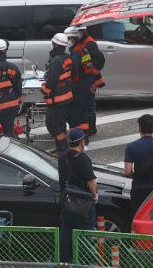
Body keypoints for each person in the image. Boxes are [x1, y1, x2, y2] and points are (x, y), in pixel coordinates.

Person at [58, 128, 97, 262]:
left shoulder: (62, 157)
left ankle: (63, 261)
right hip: (82, 203)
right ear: (81, 142)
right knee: (85, 234)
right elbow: (91, 181)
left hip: (67, 200)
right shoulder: (82, 158)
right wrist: (95, 196)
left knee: (66, 233)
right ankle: (82, 262)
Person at [67, 25, 106, 136]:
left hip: (88, 79)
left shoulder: (89, 43)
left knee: (88, 105)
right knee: (87, 104)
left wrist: (93, 81)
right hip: (85, 78)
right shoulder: (80, 43)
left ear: (83, 31)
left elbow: (98, 61)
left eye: (78, 31)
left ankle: (90, 128)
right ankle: (89, 129)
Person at [42, 33, 76, 153]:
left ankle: (63, 148)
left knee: (52, 125)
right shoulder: (67, 57)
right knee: (60, 123)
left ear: (55, 44)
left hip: (57, 99)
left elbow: (51, 81)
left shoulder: (56, 61)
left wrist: (44, 89)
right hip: (67, 96)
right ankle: (60, 147)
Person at [0, 39, 22, 136]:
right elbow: (18, 89)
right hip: (11, 107)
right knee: (9, 133)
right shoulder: (13, 67)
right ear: (5, 51)